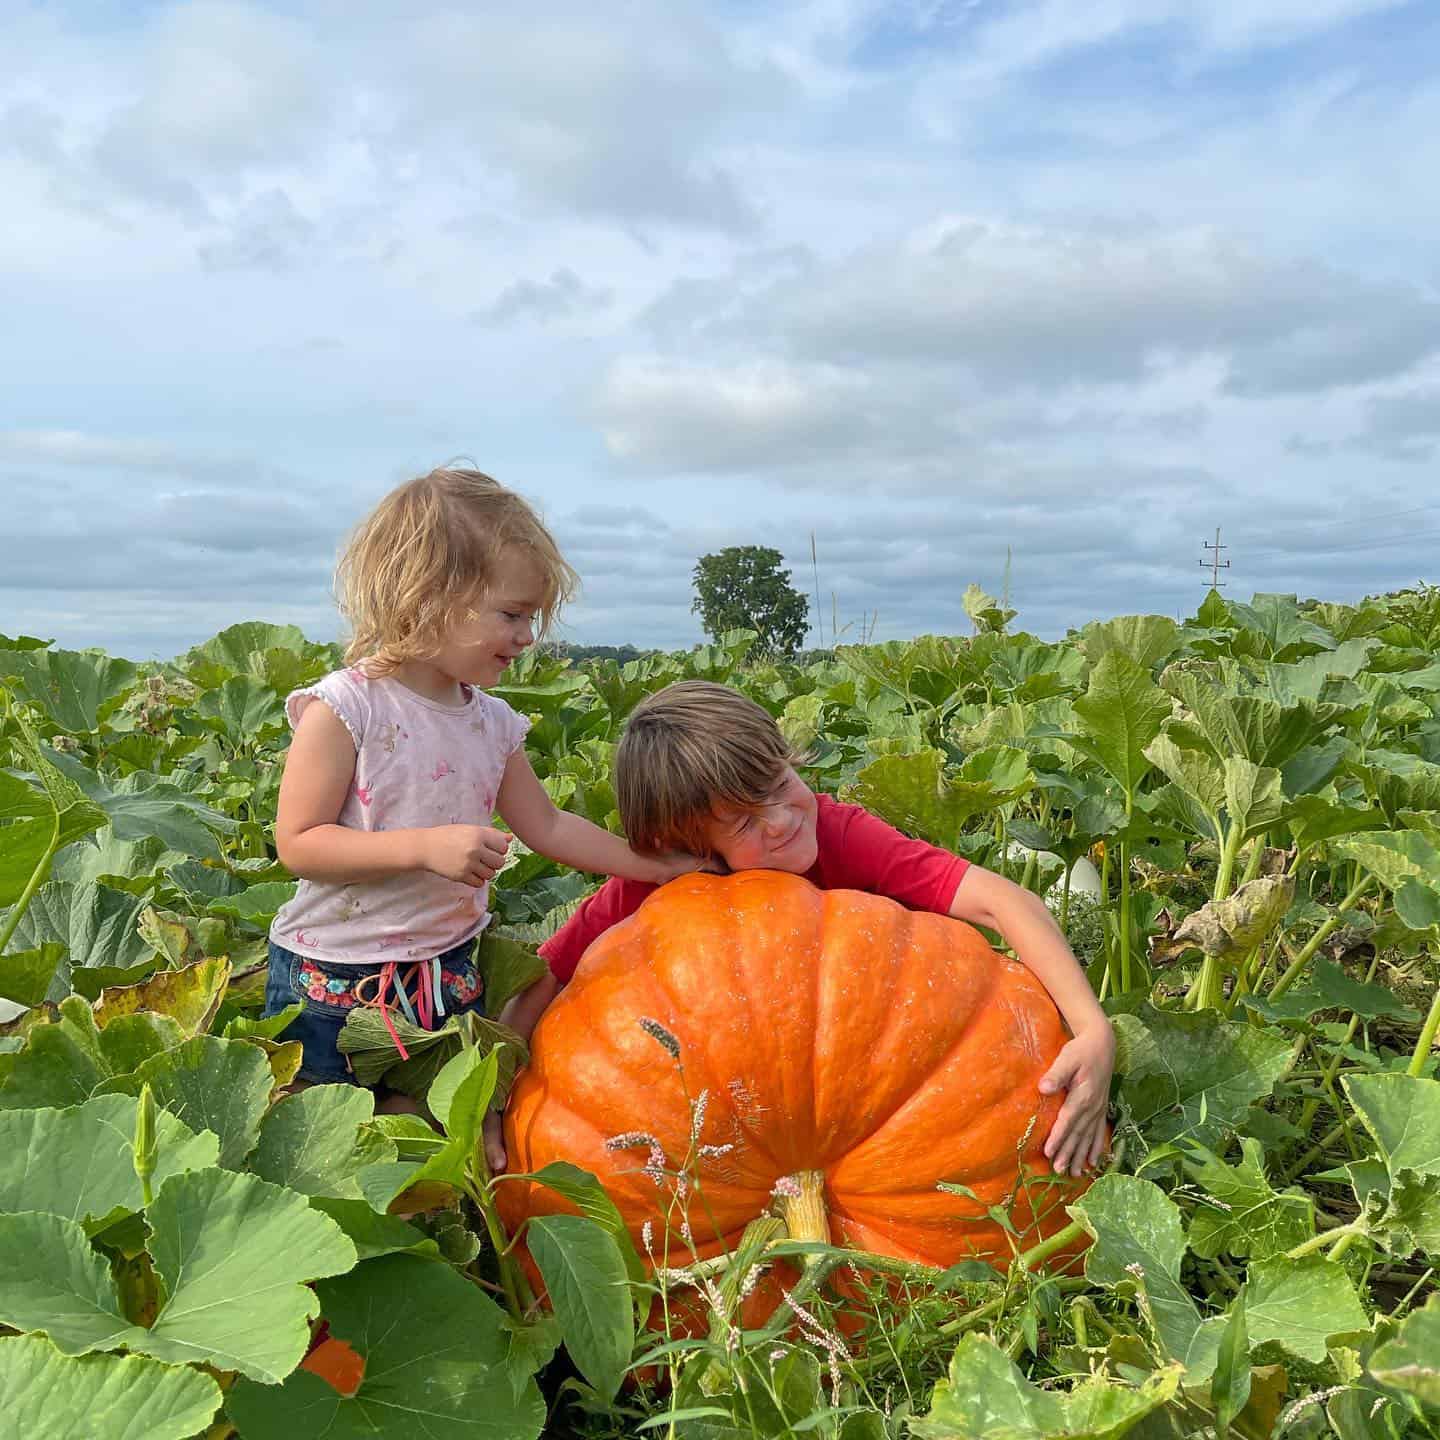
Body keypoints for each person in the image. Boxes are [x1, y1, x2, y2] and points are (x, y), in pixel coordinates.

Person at [490, 680, 1115, 1177]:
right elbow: (543, 979)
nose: (784, 819)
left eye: (779, 784)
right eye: (741, 823)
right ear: (686, 849)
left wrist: (1092, 1029)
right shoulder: (654, 886)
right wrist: (495, 1100)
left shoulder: (841, 836)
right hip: (718, 1128)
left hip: (875, 1089)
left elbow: (1005, 903)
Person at [264, 466, 705, 1092]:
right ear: (429, 598)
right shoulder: (345, 708)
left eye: (533, 620)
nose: (527, 638)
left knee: (431, 1151)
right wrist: (424, 847)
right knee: (333, 1146)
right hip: (336, 982)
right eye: (512, 615)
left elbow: (547, 825)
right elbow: (300, 844)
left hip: (447, 973)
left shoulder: (492, 723)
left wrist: (656, 867)